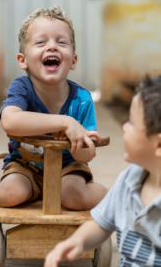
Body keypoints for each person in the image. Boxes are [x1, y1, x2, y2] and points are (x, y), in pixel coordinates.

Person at [0, 5, 108, 243]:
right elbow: (10, 121)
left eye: (61, 42)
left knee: (74, 196)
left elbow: (86, 157)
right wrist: (65, 122)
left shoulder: (82, 99)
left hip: (68, 168)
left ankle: (114, 198)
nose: (51, 46)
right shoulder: (22, 88)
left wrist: (82, 145)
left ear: (74, 61)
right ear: (23, 60)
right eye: (41, 42)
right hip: (25, 165)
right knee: (11, 193)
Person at [45, 75, 161, 267]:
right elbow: (100, 223)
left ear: (158, 143)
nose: (124, 126)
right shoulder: (128, 181)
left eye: (131, 122)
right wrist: (78, 241)